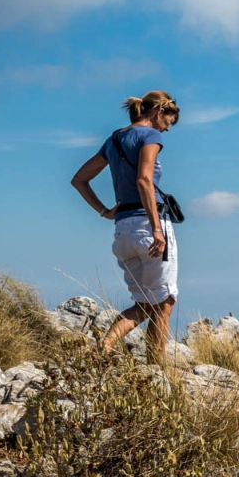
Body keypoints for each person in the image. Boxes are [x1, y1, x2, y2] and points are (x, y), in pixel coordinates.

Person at [70, 90, 181, 361]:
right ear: (158, 113)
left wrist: (104, 212)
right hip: (148, 226)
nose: (166, 130)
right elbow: (144, 180)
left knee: (144, 304)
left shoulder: (115, 139)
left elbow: (79, 179)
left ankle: (103, 348)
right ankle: (157, 370)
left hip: (122, 230)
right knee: (164, 303)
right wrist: (157, 229)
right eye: (168, 122)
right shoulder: (150, 135)